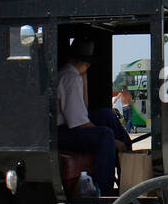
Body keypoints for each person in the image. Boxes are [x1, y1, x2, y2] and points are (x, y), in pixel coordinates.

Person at [56, 39, 132, 195]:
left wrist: (84, 79)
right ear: (87, 63)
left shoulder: (73, 75)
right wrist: (115, 143)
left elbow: (83, 109)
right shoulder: (70, 77)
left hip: (66, 127)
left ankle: (128, 169)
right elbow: (78, 122)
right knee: (105, 135)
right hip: (59, 132)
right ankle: (105, 189)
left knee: (106, 115)